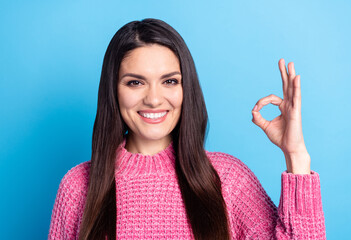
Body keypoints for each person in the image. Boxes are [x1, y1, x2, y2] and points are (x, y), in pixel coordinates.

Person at [48, 18, 326, 240]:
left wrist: (296, 155)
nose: (154, 99)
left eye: (169, 81)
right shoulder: (78, 187)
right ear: (114, 91)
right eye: (135, 82)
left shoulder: (227, 179)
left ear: (186, 89)